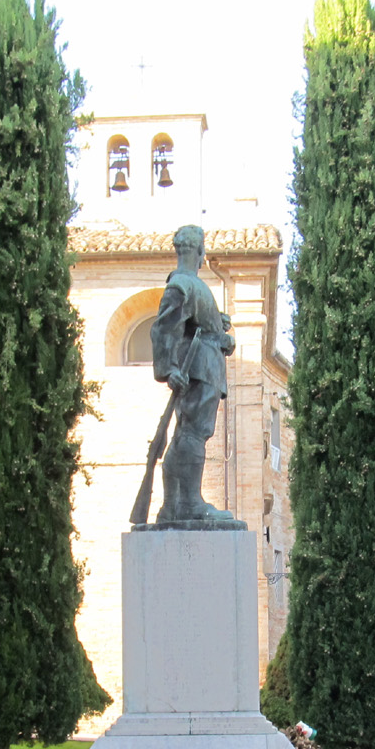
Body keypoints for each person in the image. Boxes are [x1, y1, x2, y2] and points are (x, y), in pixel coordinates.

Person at [149, 224, 241, 526]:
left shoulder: (190, 286)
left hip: (204, 367)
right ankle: (188, 505)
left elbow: (194, 326)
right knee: (193, 433)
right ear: (200, 252)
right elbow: (164, 328)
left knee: (186, 433)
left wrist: (219, 328)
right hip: (198, 369)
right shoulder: (182, 285)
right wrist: (170, 369)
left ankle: (173, 505)